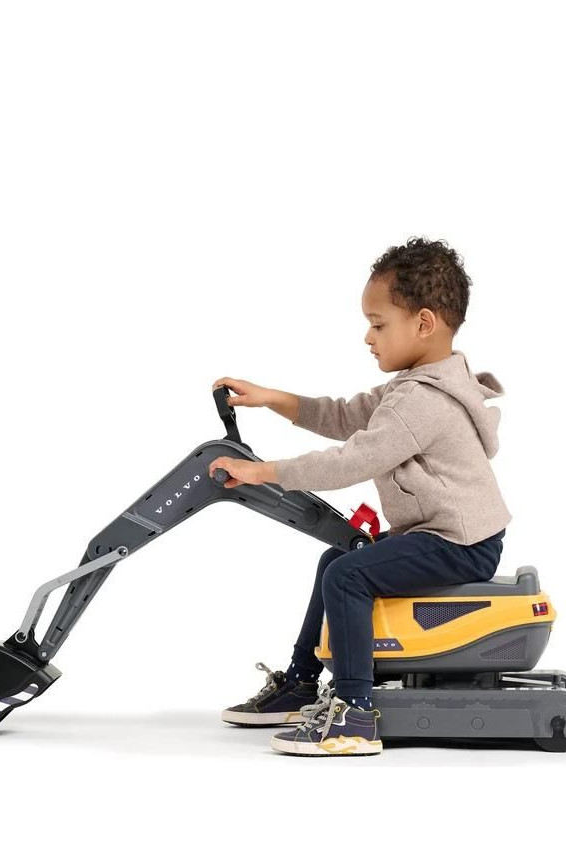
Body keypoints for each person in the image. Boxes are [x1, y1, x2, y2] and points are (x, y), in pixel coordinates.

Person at [207, 237, 510, 757]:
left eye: (378, 324)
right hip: (446, 535)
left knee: (347, 575)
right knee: (337, 558)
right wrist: (273, 399)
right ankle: (302, 682)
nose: (368, 337)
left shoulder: (423, 401)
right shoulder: (417, 384)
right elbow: (346, 416)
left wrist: (262, 472)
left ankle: (353, 714)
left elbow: (352, 461)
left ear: (423, 323)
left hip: (458, 543)